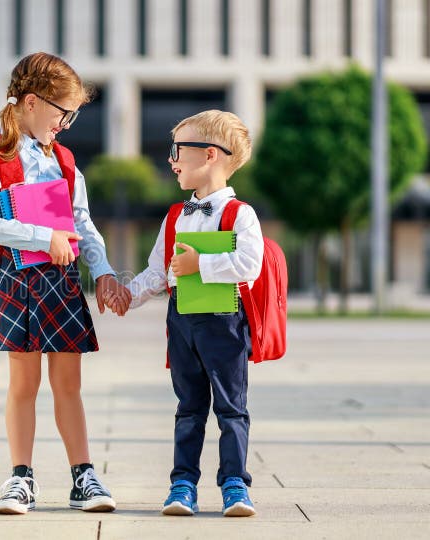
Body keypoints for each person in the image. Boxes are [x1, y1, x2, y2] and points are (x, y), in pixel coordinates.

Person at [0, 52, 131, 515]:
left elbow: (83, 223)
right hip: (18, 279)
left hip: (60, 281)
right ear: (33, 103)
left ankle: (84, 477)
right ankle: (20, 478)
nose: (67, 124)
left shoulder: (65, 161)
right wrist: (43, 235)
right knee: (23, 383)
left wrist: (105, 273)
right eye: (64, 113)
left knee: (68, 384)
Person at [104, 110, 263, 517]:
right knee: (188, 408)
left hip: (224, 322)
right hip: (182, 323)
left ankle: (234, 484)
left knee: (231, 407)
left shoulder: (240, 214)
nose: (171, 161)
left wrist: (202, 266)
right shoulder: (175, 215)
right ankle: (182, 484)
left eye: (177, 151)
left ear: (210, 155)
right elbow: (157, 271)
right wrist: (128, 296)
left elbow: (250, 264)